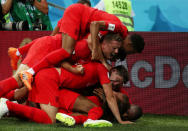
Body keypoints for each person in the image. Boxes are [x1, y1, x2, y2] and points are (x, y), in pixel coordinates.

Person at [17, 3, 129, 88]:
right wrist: (98, 55)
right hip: (75, 16)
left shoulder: (106, 34)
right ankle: (29, 71)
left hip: (68, 26)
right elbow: (94, 28)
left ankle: (18, 52)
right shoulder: (118, 28)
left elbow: (60, 24)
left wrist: (51, 37)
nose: (116, 52)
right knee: (66, 51)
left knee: (59, 49)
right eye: (115, 49)